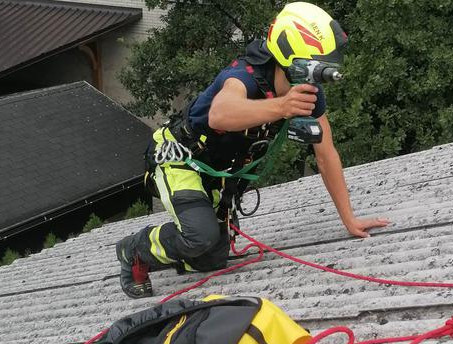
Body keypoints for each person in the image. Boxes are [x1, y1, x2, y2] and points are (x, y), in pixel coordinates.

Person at [116, 2, 389, 299]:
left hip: (219, 172)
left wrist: (349, 219)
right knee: (200, 236)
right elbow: (220, 115)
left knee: (210, 257)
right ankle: (134, 250)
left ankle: (183, 245)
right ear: (291, 58)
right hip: (180, 158)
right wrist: (282, 107)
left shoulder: (306, 91)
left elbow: (326, 153)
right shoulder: (243, 74)